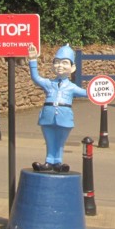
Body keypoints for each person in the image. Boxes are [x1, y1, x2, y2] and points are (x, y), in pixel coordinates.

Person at [28, 44, 87, 173]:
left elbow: (87, 93)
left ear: (72, 68)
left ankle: (58, 161)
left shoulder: (72, 87)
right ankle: (49, 162)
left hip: (64, 117)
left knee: (60, 141)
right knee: (49, 140)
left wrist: (105, 91)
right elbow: (36, 78)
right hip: (48, 115)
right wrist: (32, 60)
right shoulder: (49, 84)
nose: (60, 66)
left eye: (64, 63)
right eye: (57, 62)